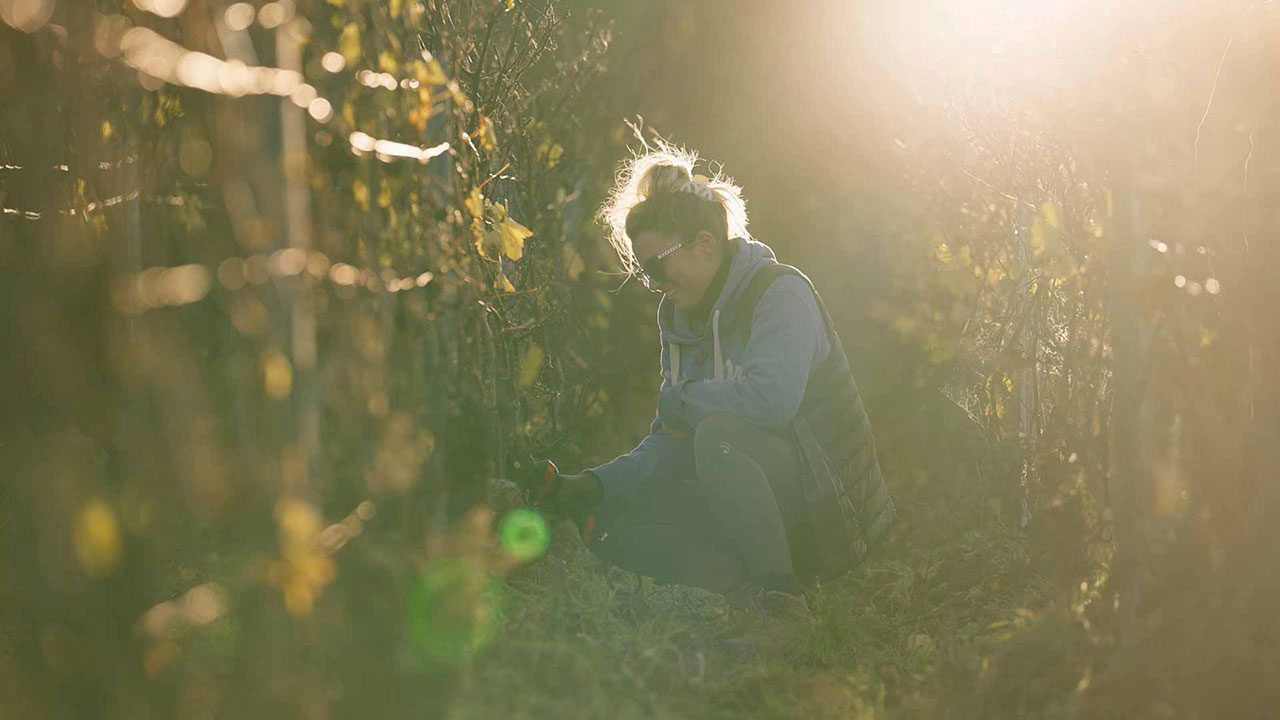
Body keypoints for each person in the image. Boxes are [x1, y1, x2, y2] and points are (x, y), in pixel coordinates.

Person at [515, 142, 895, 615]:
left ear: (705, 244)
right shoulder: (679, 316)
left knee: (718, 435)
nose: (653, 282)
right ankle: (738, 591)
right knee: (611, 524)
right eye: (641, 270)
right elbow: (672, 437)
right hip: (748, 497)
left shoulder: (781, 294)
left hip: (830, 508)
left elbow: (771, 401)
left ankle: (782, 598)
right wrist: (595, 485)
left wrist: (685, 399)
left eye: (657, 266)